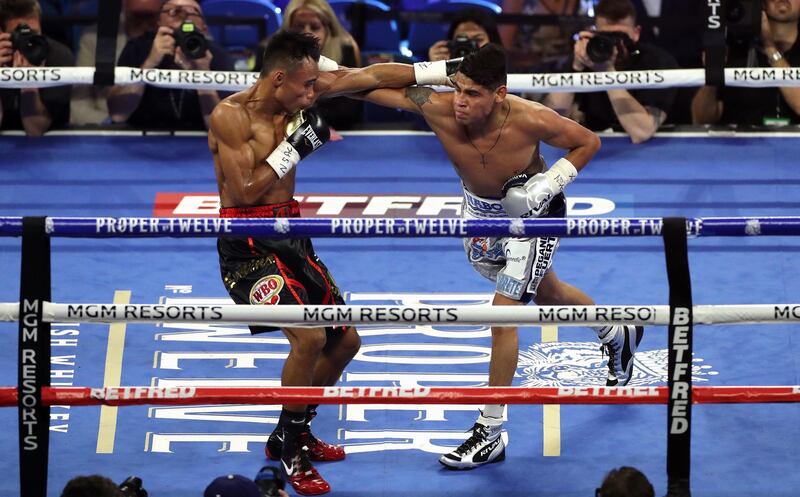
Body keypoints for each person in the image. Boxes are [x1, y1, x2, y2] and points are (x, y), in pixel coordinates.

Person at [356, 43, 644, 469]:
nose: (461, 101)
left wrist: (546, 185)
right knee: (549, 293)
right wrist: (329, 77)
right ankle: (616, 331)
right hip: (482, 214)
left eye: (473, 94)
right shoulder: (438, 106)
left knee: (502, 317)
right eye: (459, 89)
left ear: (500, 94)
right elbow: (371, 85)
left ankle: (490, 431)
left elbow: (587, 142)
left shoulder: (531, 118)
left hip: (534, 217)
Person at [209, 31, 433, 494]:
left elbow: (366, 77)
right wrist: (297, 146)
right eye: (307, 86)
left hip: (292, 234)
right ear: (278, 78)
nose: (314, 94)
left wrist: (442, 74)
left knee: (346, 340)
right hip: (247, 241)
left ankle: (292, 431)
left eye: (315, 85)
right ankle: (291, 453)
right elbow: (247, 190)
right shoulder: (229, 116)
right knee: (309, 338)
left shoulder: (299, 93)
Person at [544, 0, 678, 144]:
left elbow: (641, 131)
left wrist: (607, 72)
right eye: (606, 37)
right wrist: (575, 68)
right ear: (594, 33)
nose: (613, 44)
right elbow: (551, 124)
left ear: (636, 33)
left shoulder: (657, 61)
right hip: (593, 149)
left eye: (620, 37)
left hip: (651, 155)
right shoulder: (586, 59)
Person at [107, 0, 234, 130]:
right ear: (158, 22)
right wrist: (150, 63)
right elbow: (118, 114)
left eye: (193, 12)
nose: (183, 15)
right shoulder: (138, 47)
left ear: (204, 27)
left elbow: (221, 130)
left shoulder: (216, 55)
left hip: (197, 142)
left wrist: (202, 74)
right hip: (142, 140)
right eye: (173, 11)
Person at [692, 0, 800, 126]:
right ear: (762, 3)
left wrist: (770, 48)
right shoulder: (734, 50)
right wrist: (712, 73)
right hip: (744, 142)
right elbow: (701, 120)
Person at [268, 0, 364, 130]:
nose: (306, 33)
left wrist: (317, 127)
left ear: (328, 30)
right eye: (299, 26)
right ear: (288, 30)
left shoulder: (346, 51)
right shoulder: (270, 53)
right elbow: (261, 103)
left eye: (314, 27)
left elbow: (348, 112)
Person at [70, 0, 161, 125]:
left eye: (150, 17)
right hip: (107, 126)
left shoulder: (177, 43)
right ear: (124, 5)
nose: (145, 24)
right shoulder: (95, 38)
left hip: (159, 129)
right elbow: (79, 105)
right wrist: (113, 126)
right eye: (138, 16)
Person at [0, 0, 74, 136]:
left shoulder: (57, 55)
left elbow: (34, 129)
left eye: (33, 34)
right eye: (18, 36)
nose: (27, 42)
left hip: (50, 148)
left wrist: (29, 81)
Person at [428, 8, 501, 62]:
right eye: (462, 39)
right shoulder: (443, 70)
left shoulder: (506, 75)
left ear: (493, 43)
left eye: (478, 40)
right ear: (451, 44)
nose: (469, 45)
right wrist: (436, 69)